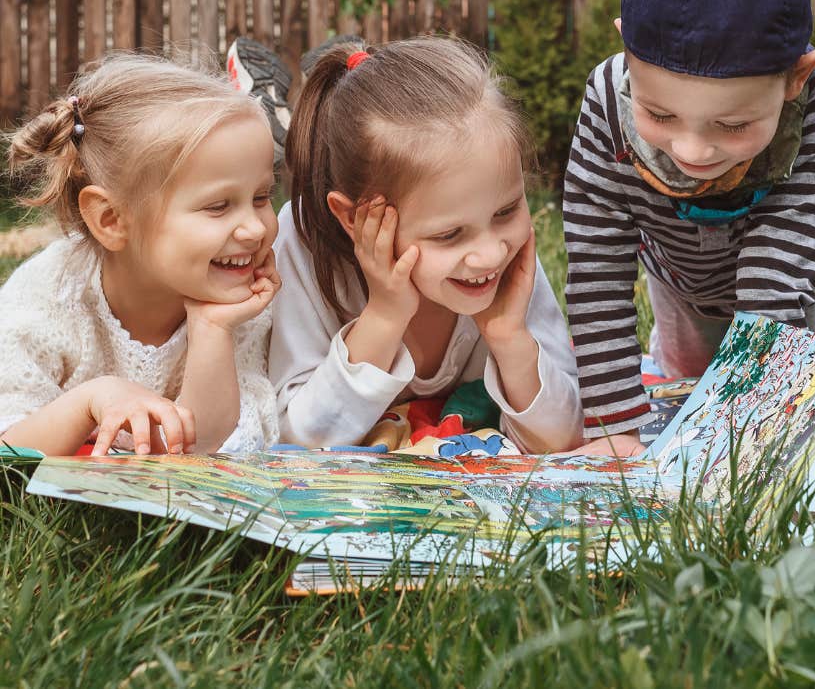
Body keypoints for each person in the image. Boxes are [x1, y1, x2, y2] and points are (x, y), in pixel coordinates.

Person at [563, 0, 815, 438]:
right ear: (627, 50)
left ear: (795, 79)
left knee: (801, 423)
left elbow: (777, 277)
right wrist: (613, 430)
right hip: (677, 274)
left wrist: (744, 438)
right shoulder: (606, 98)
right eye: (660, 115)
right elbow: (597, 268)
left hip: (789, 286)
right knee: (682, 387)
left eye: (733, 124)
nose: (692, 151)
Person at [267, 36, 585, 453]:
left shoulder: (506, 257)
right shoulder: (304, 243)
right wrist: (382, 317)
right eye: (449, 235)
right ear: (352, 218)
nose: (490, 253)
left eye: (506, 211)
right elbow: (298, 440)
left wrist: (509, 336)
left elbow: (563, 438)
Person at [0, 54, 282, 456]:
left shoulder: (240, 307)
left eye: (261, 197)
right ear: (112, 219)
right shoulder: (47, 299)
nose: (255, 229)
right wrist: (89, 402)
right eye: (218, 206)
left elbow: (205, 447)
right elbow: (8, 450)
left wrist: (211, 330)